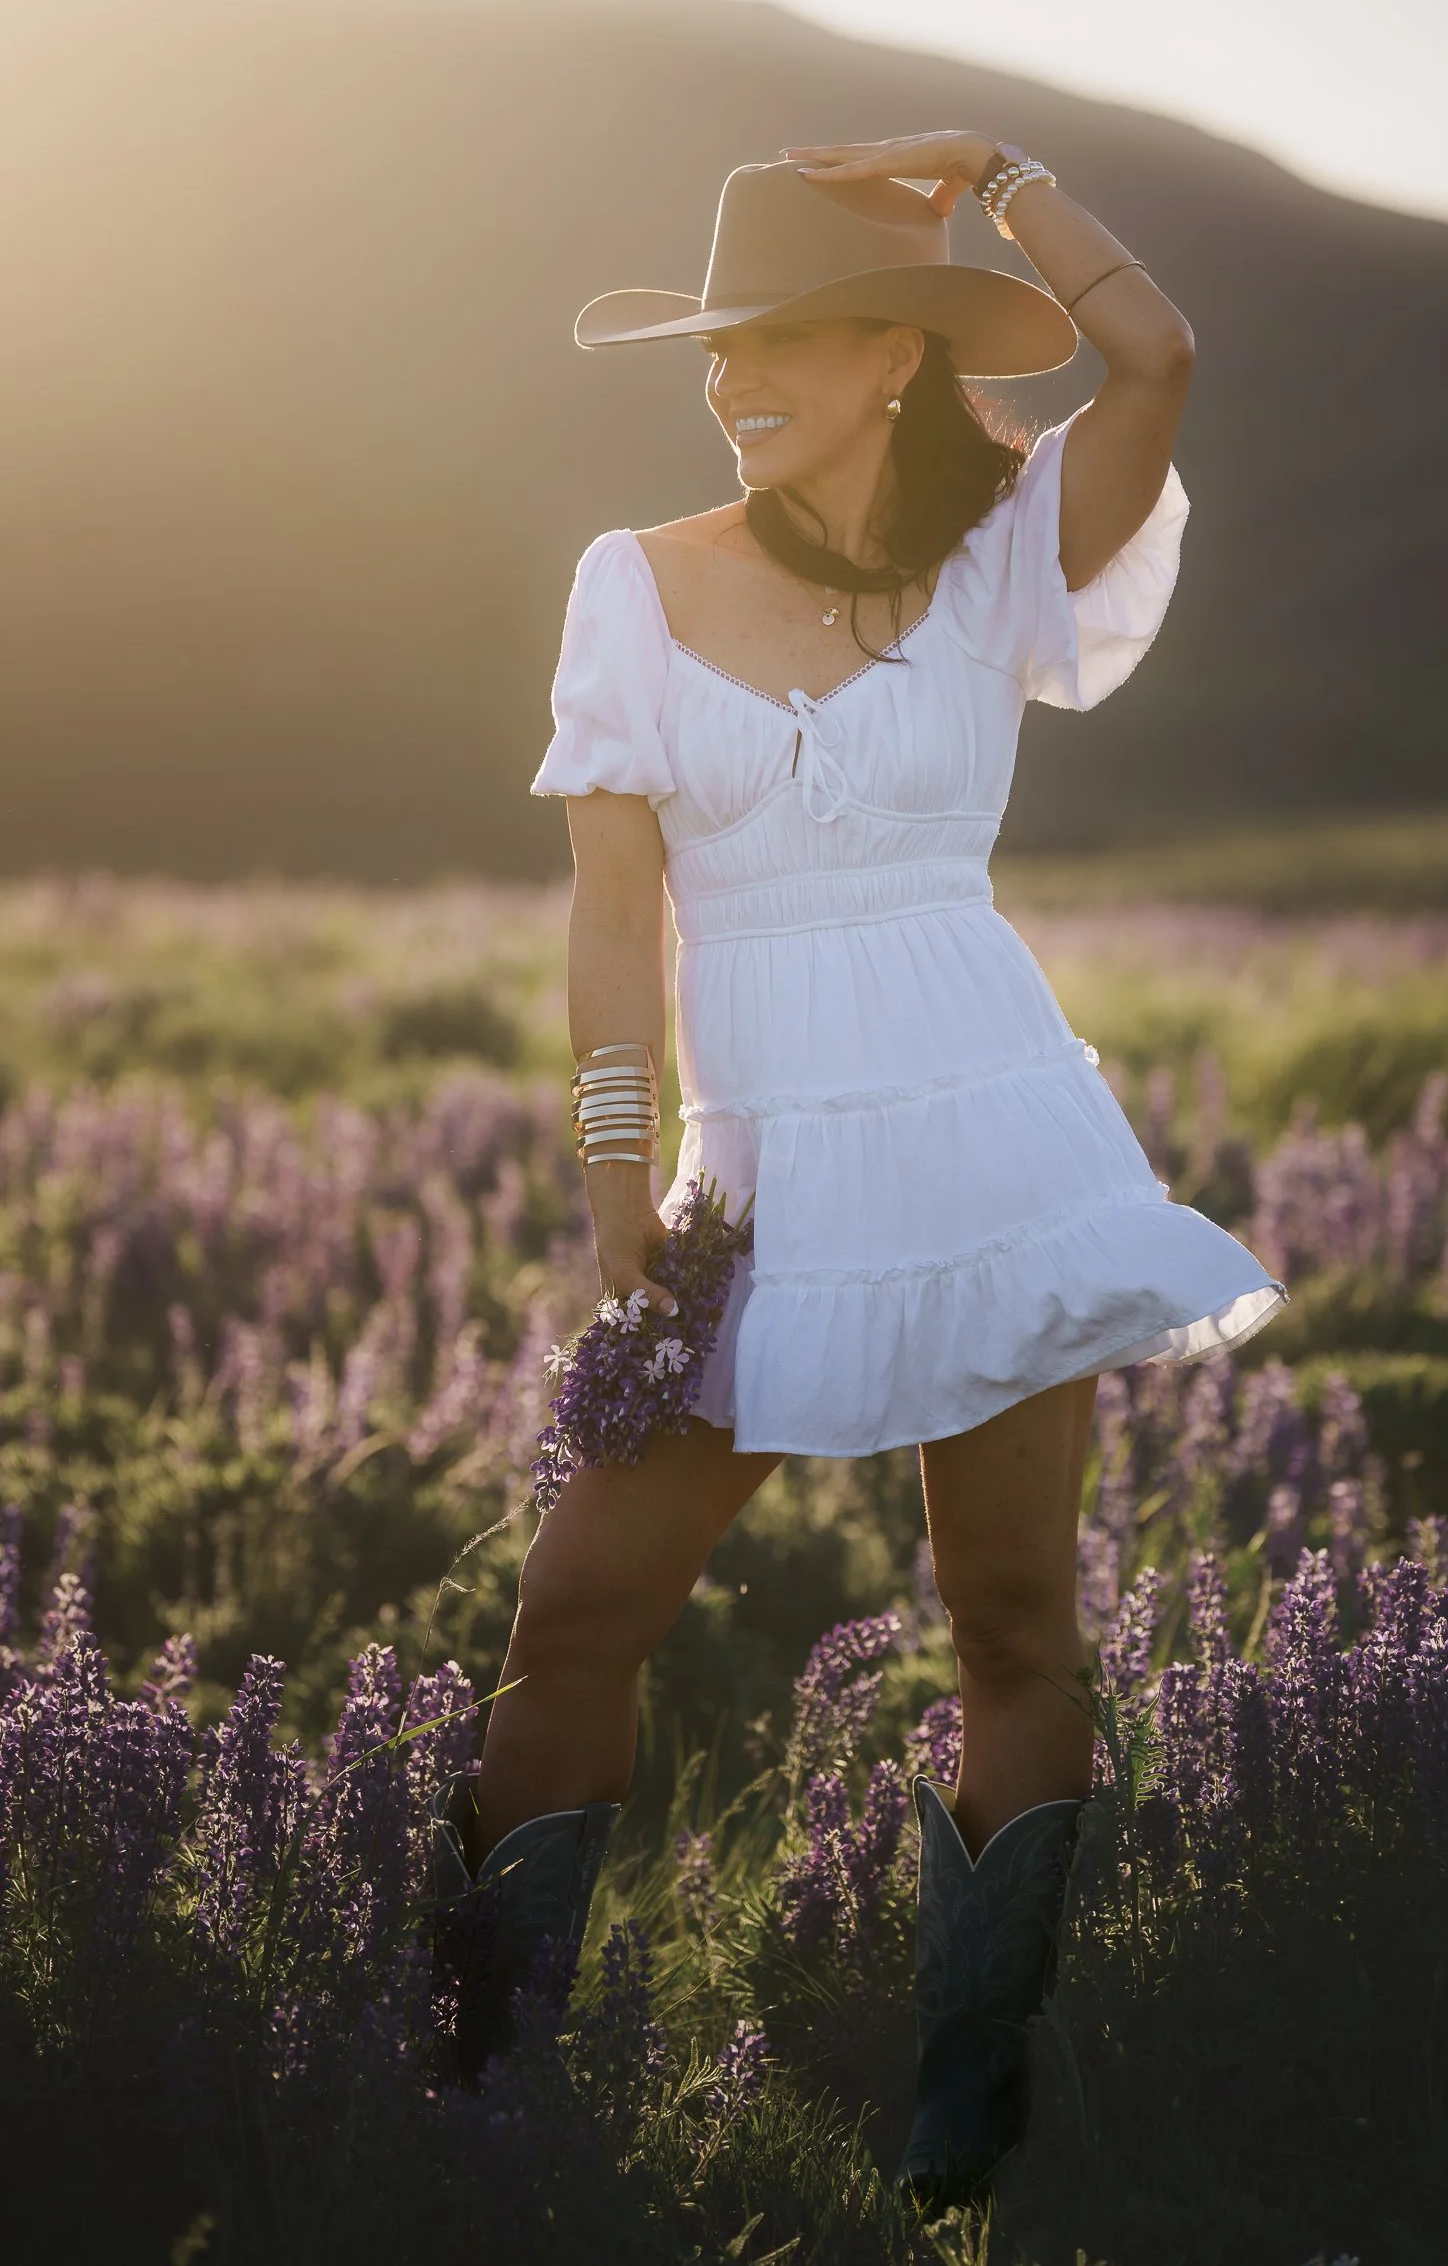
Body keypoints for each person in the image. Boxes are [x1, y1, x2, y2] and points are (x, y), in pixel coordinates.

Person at [433, 133, 1285, 2198]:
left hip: (989, 1127)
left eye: (797, 339)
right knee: (575, 1607)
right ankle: (469, 2079)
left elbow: (1153, 352)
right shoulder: (629, 577)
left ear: (898, 359)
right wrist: (617, 1192)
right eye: (728, 343)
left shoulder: (999, 553)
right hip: (758, 1162)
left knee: (1009, 1612)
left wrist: (1011, 184)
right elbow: (609, 922)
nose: (741, 376)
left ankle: (960, 2116)